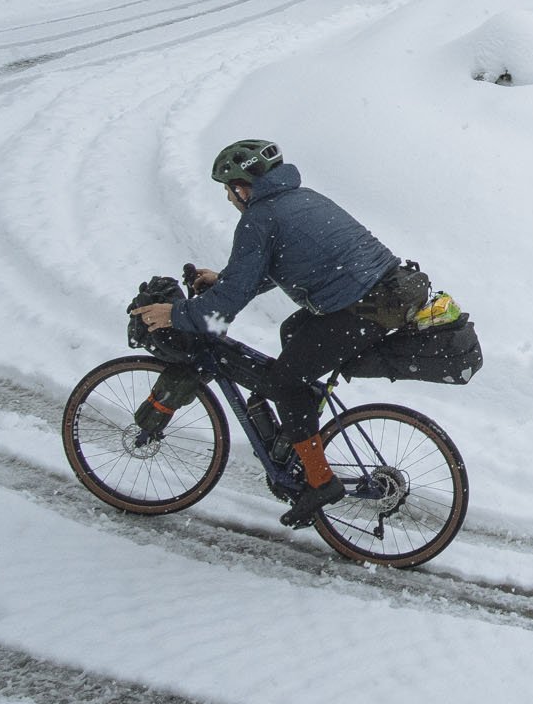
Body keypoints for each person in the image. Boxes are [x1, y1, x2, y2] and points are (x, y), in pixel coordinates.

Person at [131, 139, 429, 523]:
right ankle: (299, 433)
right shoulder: (300, 197)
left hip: (365, 307)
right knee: (293, 333)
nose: (228, 198)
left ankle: (321, 482)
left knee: (284, 383)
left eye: (227, 189)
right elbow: (280, 264)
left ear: (243, 187)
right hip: (385, 293)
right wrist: (224, 280)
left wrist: (176, 314)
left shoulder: (260, 217)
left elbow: (225, 305)